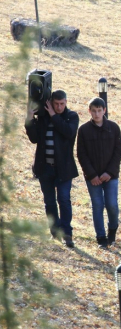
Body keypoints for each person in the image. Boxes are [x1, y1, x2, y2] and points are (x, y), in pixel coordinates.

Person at [25, 90, 79, 247]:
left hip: (64, 169)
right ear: (51, 103)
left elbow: (69, 132)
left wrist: (54, 116)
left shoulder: (71, 117)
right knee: (49, 202)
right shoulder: (43, 118)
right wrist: (30, 118)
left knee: (64, 199)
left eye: (62, 104)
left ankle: (67, 233)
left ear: (66, 102)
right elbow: (34, 138)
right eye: (56, 104)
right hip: (45, 168)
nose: (60, 107)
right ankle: (54, 233)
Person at [76, 98, 121, 249]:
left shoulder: (113, 128)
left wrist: (109, 172)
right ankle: (100, 237)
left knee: (112, 205)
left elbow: (118, 151)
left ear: (104, 110)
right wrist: (92, 175)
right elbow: (81, 154)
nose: (97, 114)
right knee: (97, 205)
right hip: (93, 177)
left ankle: (112, 231)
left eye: (99, 110)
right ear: (89, 111)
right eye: (93, 111)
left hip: (111, 175)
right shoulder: (83, 130)